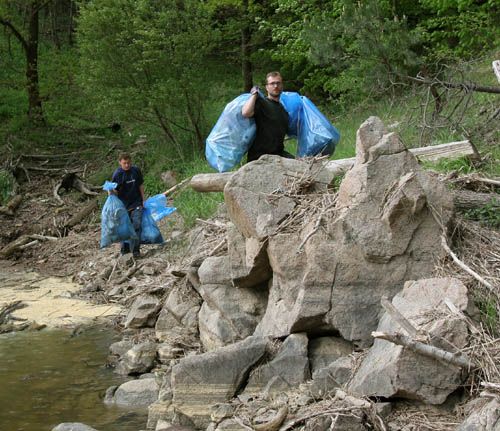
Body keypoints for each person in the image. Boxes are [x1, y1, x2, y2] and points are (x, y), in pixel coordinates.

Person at [241, 71, 293, 162]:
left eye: (278, 83)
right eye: (272, 83)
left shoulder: (284, 111)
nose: (275, 86)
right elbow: (246, 113)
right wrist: (254, 94)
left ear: (282, 86)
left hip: (278, 157)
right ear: (267, 87)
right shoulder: (262, 103)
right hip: (259, 158)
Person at [110, 152, 145, 257]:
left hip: (137, 202)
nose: (127, 165)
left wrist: (143, 200)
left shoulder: (136, 170)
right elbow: (115, 191)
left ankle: (135, 251)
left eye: (129, 163)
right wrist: (110, 191)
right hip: (123, 205)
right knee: (124, 228)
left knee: (137, 225)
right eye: (124, 163)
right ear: (120, 162)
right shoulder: (117, 174)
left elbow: (140, 185)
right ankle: (125, 251)